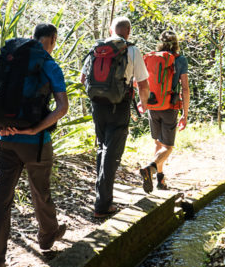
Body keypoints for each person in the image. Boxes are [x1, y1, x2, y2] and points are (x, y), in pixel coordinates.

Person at [0, 24, 69, 267]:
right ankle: (46, 236)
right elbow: (62, 107)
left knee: (1, 199)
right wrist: (36, 129)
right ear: (52, 39)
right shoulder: (48, 63)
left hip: (4, 140)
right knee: (40, 191)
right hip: (35, 143)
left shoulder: (10, 60)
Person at [81, 16, 150, 218]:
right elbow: (143, 84)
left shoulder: (97, 48)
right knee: (111, 153)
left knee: (102, 147)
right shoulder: (131, 49)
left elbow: (82, 78)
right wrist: (143, 104)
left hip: (97, 106)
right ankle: (103, 205)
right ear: (128, 31)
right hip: (119, 106)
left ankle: (102, 198)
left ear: (111, 30)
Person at [139, 30, 190, 192]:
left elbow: (141, 82)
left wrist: (143, 102)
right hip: (169, 106)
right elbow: (185, 88)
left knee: (158, 143)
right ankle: (151, 168)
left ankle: (160, 180)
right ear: (176, 43)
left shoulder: (152, 57)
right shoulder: (180, 60)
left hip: (153, 105)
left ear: (160, 42)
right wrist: (185, 114)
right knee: (167, 147)